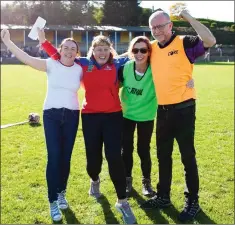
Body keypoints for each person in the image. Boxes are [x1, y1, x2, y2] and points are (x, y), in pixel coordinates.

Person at [40, 34, 137, 224]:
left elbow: (138, 54)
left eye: (105, 49)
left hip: (113, 116)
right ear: (93, 50)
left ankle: (122, 201)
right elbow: (58, 55)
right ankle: (94, 180)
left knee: (114, 156)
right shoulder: (83, 63)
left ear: (110, 50)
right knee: (93, 159)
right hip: (90, 116)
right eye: (98, 49)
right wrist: (43, 41)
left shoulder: (118, 63)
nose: (102, 52)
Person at [140, 9, 216, 223]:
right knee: (163, 157)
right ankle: (163, 196)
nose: (157, 31)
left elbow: (210, 40)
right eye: (153, 27)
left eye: (161, 26)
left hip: (184, 109)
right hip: (162, 111)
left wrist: (188, 17)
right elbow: (130, 57)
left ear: (170, 25)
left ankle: (193, 201)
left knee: (187, 157)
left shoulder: (185, 42)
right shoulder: (152, 48)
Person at [1, 29, 83, 222]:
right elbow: (27, 58)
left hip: (72, 116)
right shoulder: (50, 64)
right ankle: (53, 200)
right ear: (60, 50)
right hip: (52, 116)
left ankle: (62, 192)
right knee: (54, 158)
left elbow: (103, 59)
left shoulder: (81, 68)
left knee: (66, 158)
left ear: (77, 53)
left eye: (73, 49)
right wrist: (9, 44)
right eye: (66, 48)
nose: (70, 51)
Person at [118, 36, 157, 197]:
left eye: (143, 50)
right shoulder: (126, 68)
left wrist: (188, 81)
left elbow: (173, 77)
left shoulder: (155, 69)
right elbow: (113, 85)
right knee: (126, 149)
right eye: (135, 50)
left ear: (149, 52)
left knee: (143, 149)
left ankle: (146, 182)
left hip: (146, 116)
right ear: (131, 52)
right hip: (126, 115)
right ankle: (127, 180)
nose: (139, 53)